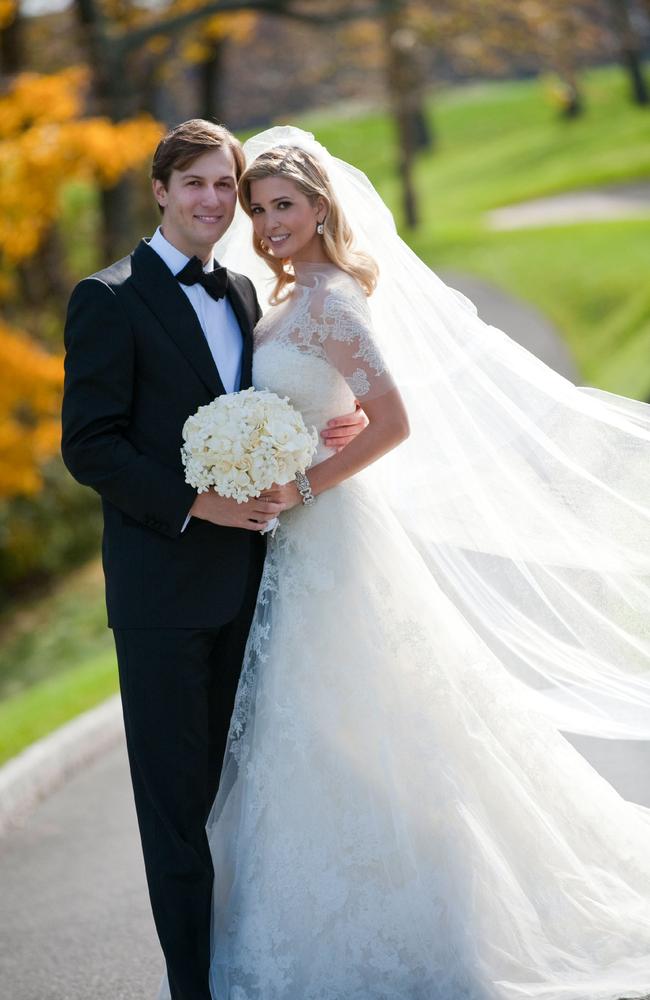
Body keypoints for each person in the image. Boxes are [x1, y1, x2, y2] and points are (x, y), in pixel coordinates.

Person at [197, 128, 650, 1000]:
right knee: (312, 733)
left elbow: (394, 419)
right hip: (290, 551)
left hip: (331, 539)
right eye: (256, 210)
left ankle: (434, 922)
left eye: (281, 205)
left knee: (372, 725)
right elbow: (330, 408)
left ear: (321, 206)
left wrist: (304, 485)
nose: (266, 223)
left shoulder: (333, 301)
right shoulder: (280, 301)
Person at [60, 119, 366, 1000]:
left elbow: (262, 410)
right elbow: (93, 447)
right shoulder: (106, 297)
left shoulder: (240, 291)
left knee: (247, 800)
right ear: (160, 191)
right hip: (161, 596)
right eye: (193, 183)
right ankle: (191, 988)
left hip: (255, 589)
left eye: (224, 186)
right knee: (177, 812)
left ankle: (249, 968)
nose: (212, 201)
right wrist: (203, 504)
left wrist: (318, 436)